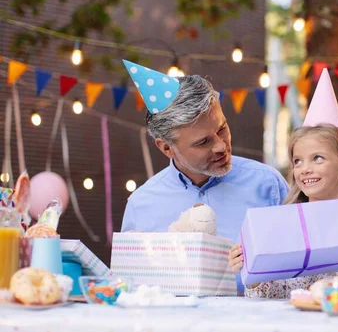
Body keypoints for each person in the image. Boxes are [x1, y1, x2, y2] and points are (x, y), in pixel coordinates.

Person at [119, 60, 288, 292]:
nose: (221, 146)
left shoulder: (268, 184)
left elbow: (299, 279)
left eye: (222, 129)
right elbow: (129, 286)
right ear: (166, 148)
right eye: (203, 142)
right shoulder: (141, 205)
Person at [228, 69, 338, 299]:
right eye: (297, 161)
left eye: (318, 158)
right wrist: (250, 269)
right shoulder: (282, 224)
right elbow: (264, 295)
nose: (304, 169)